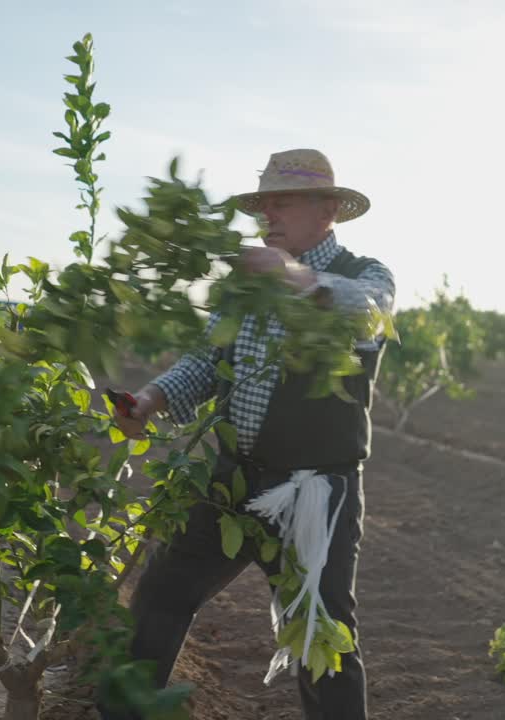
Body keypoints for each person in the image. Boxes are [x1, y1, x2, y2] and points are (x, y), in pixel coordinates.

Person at [102, 148, 395, 720]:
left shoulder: (364, 275)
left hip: (315, 493)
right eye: (263, 204)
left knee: (319, 634)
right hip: (232, 481)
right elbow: (207, 362)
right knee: (160, 595)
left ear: (327, 209)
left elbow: (368, 313)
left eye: (281, 201)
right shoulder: (246, 289)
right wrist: (149, 400)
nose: (268, 214)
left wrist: (293, 277)